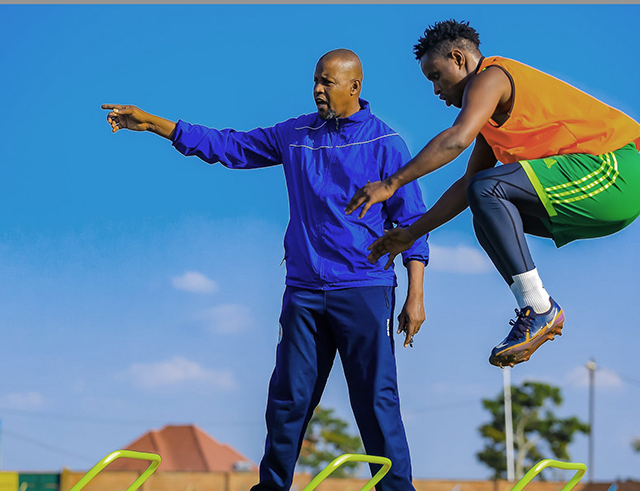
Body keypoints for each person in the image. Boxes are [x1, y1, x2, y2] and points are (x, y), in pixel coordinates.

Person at [102, 49, 428, 491]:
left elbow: (412, 224)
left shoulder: (385, 144)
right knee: (288, 400)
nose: (317, 88)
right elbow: (229, 146)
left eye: (327, 81)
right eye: (315, 79)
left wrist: (415, 295)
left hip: (364, 289)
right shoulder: (294, 135)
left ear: (355, 87)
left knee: (376, 401)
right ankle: (272, 488)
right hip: (305, 291)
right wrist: (157, 125)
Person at [345, 20, 640, 368]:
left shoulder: (493, 76)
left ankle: (539, 308)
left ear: (458, 59)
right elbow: (467, 187)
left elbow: (457, 140)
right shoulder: (491, 125)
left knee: (486, 189)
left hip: (612, 174)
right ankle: (535, 307)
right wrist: (411, 234)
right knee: (483, 208)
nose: (435, 90)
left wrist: (391, 183)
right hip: (599, 193)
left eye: (436, 76)